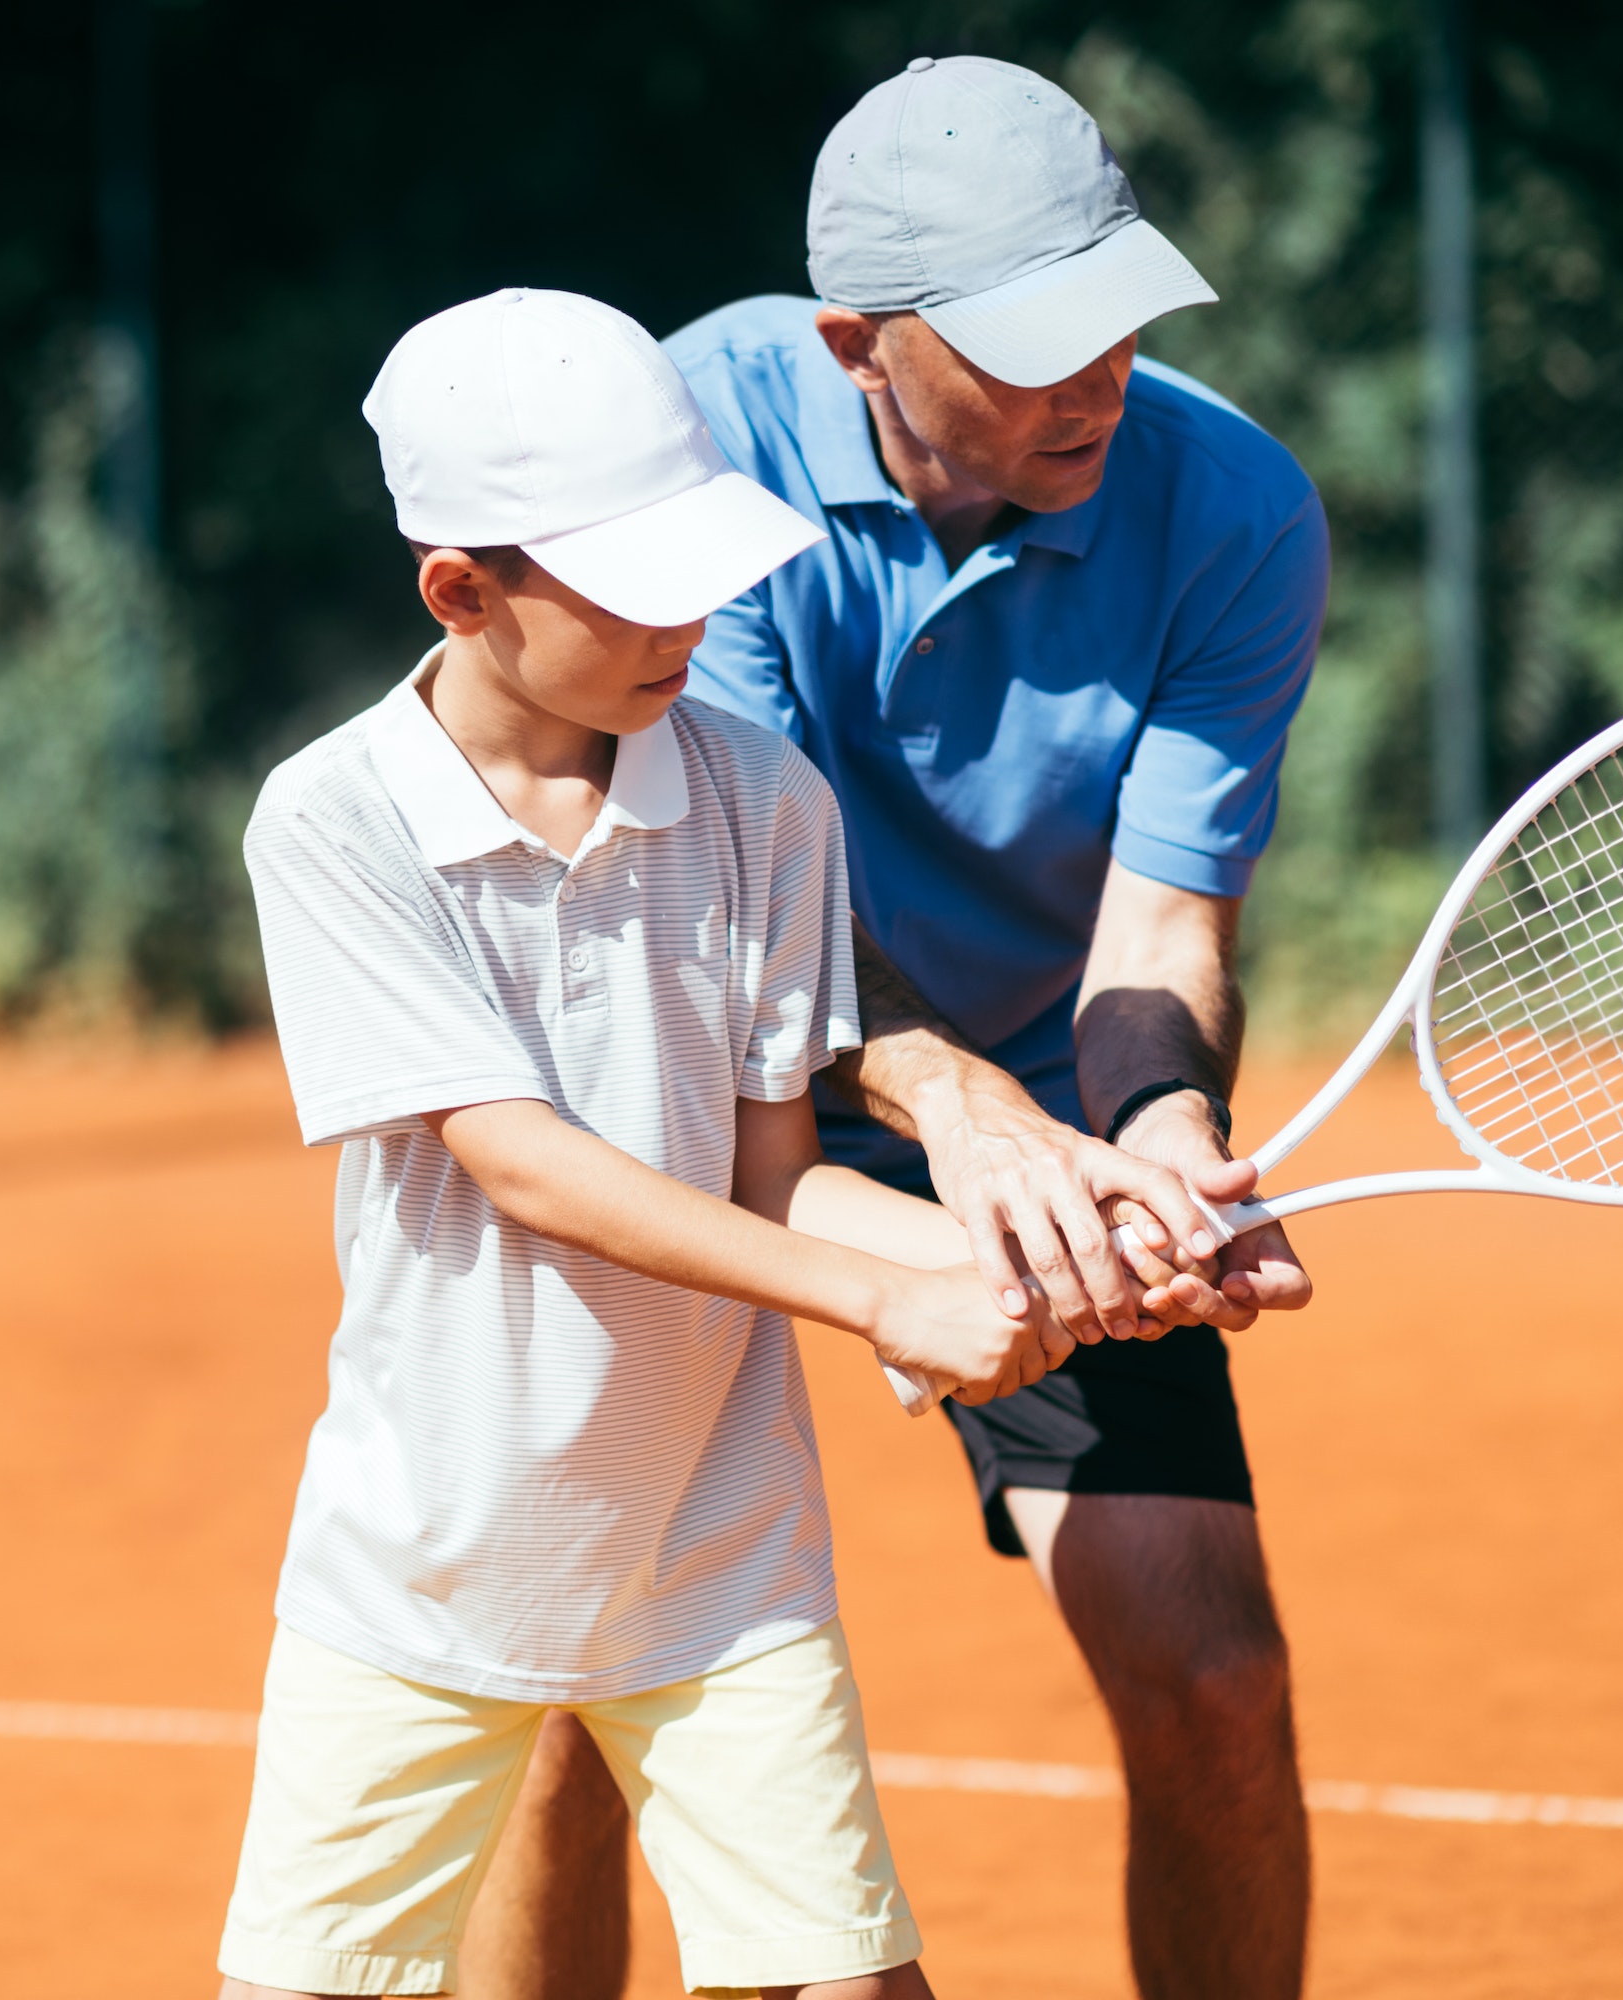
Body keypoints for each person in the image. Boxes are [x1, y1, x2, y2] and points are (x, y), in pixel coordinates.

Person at [466, 57, 1331, 2000]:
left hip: (1028, 1093)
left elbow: (1162, 918)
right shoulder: (679, 453)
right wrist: (952, 1110)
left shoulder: (1232, 508)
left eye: (1111, 313)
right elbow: (746, 895)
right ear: (858, 344)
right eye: (1027, 346)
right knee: (573, 1696)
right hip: (680, 1089)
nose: (1093, 375)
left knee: (1216, 1676)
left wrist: (1161, 1129)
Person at [215, 285, 1076, 2000]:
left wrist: (1026, 1241)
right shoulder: (331, 819)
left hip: (717, 1550)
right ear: (462, 593)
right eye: (635, 582)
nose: (697, 612)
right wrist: (872, 1301)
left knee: (854, 1982)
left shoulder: (769, 800)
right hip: (425, 1563)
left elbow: (775, 1174)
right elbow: (522, 1161)